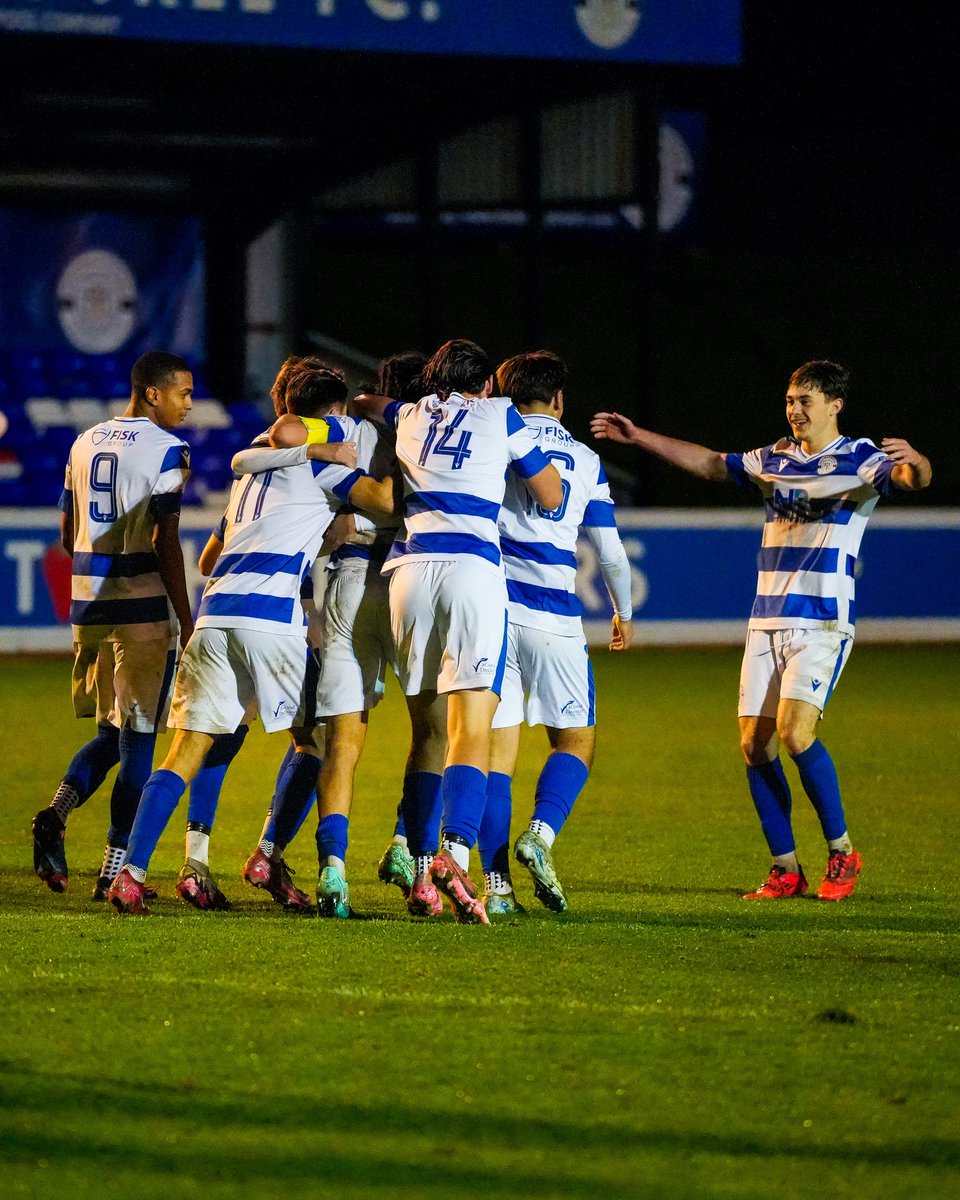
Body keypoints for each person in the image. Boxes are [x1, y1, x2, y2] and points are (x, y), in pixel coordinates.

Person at [591, 360, 932, 900]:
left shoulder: (861, 458)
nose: (795, 410)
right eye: (791, 400)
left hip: (821, 621)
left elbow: (910, 479)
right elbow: (708, 464)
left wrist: (918, 463)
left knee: (797, 735)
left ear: (835, 405)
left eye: (806, 401)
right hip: (766, 621)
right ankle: (785, 868)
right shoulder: (773, 457)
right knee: (754, 745)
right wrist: (640, 437)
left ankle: (842, 853)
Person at [107, 365, 393, 914]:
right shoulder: (319, 463)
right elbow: (381, 499)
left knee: (185, 750)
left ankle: (133, 874)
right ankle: (269, 854)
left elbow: (211, 556)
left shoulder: (249, 473)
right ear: (328, 417)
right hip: (268, 622)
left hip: (216, 616)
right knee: (318, 743)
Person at [355, 338, 563, 924]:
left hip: (407, 573)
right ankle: (454, 852)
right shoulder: (503, 414)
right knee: (472, 723)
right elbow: (550, 495)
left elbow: (373, 402)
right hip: (471, 571)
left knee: (425, 734)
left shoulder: (411, 412)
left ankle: (421, 874)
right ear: (488, 385)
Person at [231, 353, 416, 917]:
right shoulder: (420, 431)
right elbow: (287, 431)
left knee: (329, 736)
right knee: (442, 729)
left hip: (348, 579)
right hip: (410, 579)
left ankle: (296, 856)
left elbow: (279, 434)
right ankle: (416, 851)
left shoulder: (353, 425)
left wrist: (346, 523)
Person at [32, 351, 194, 899]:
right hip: (140, 606)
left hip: (89, 606)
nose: (189, 404)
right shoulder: (169, 450)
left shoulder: (84, 441)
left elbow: (65, 530)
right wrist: (186, 616)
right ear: (152, 393)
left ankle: (54, 814)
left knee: (109, 732)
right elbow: (164, 540)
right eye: (182, 393)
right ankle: (113, 869)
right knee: (140, 742)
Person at [478, 351, 634, 917]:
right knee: (575, 742)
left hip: (495, 615)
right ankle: (539, 835)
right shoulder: (587, 460)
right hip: (556, 620)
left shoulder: (490, 445)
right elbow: (609, 551)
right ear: (559, 400)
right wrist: (624, 610)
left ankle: (496, 888)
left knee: (496, 758)